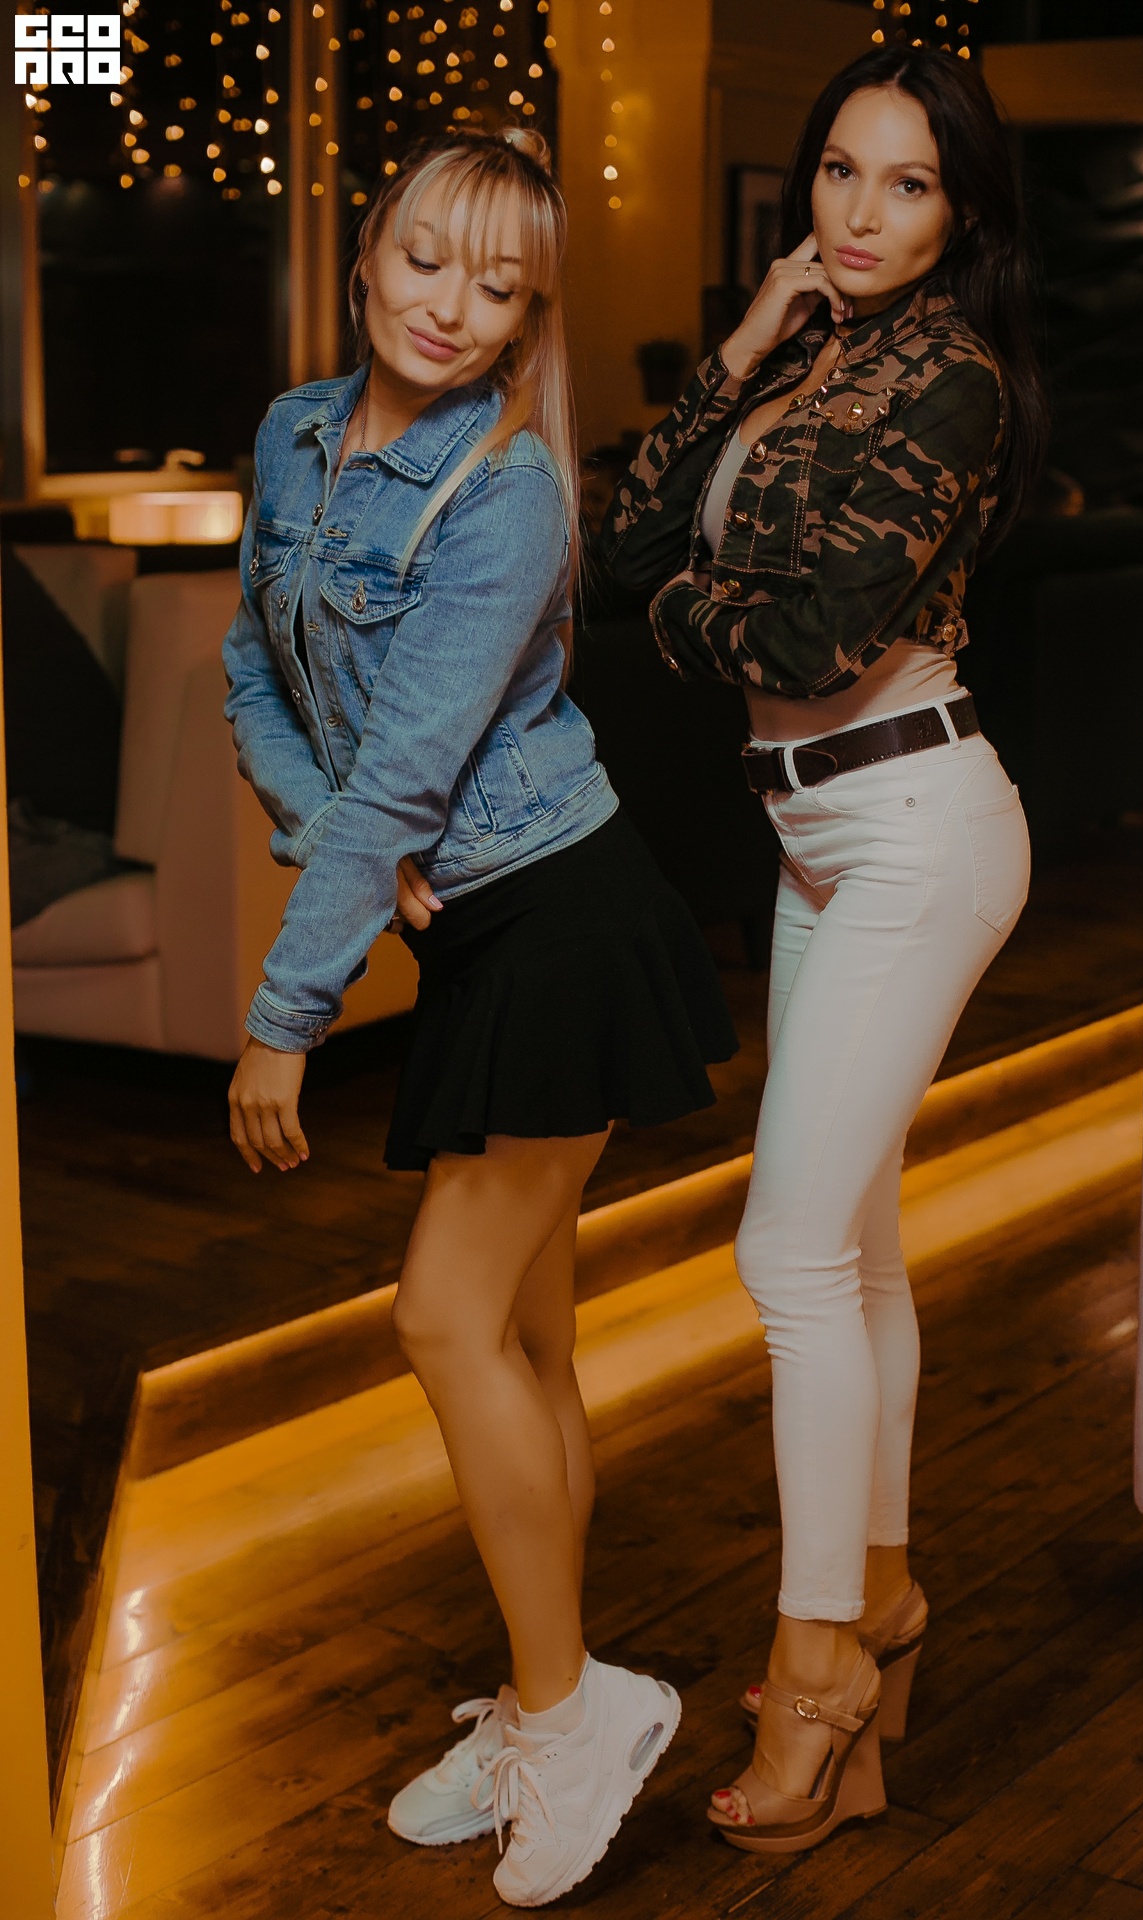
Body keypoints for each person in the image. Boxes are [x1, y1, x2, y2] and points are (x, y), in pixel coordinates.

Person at [221, 125, 737, 1908]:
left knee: (442, 1319)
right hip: (471, 926)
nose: (454, 308)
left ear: (531, 317)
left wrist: (287, 1014)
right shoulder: (294, 434)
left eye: (501, 287)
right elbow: (254, 670)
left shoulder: (505, 487)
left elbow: (413, 772)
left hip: (561, 917)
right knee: (528, 1343)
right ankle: (549, 1699)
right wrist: (338, 842)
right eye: (430, 261)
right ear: (368, 253)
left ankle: (572, 1711)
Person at [600, 45, 1047, 1852]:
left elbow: (818, 639)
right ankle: (886, 1587)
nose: (861, 214)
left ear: (960, 211)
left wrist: (675, 609)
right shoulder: (808, 349)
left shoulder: (957, 382)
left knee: (785, 1254)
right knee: (853, 1253)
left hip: (921, 824)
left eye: (908, 184)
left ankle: (818, 1663)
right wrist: (737, 350)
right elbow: (630, 531)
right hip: (813, 834)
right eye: (841, 174)